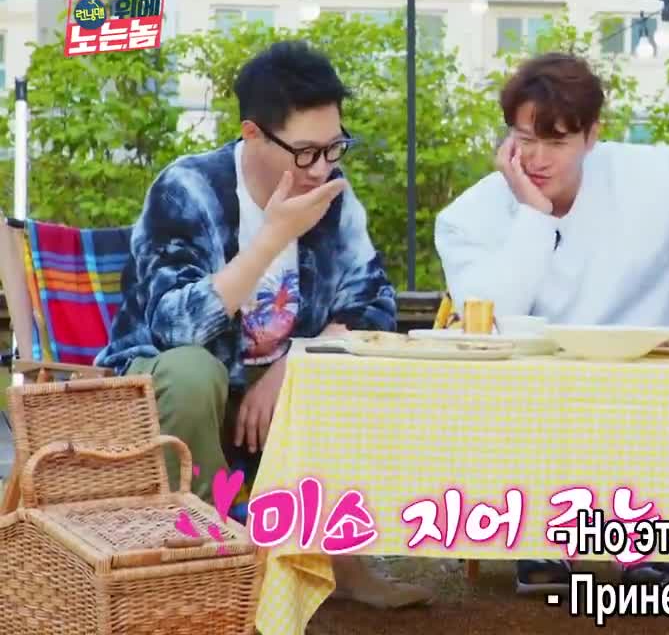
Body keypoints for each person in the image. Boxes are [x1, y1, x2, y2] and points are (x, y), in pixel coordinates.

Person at [435, 52, 669, 594]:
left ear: (592, 135)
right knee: (517, 392)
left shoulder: (652, 172)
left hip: (646, 389)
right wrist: (533, 212)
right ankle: (538, 534)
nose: (537, 158)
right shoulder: (467, 216)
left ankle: (645, 537)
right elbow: (497, 317)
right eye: (524, 139)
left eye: (557, 142)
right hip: (533, 396)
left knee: (654, 399)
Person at [96, 41, 429, 609]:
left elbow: (373, 304)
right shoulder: (189, 189)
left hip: (271, 387)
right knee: (194, 372)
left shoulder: (333, 198)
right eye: (306, 152)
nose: (322, 167)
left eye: (334, 147)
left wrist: (293, 364)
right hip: (171, 383)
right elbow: (174, 329)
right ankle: (212, 561)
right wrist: (272, 236)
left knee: (341, 368)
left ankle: (342, 563)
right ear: (252, 134)